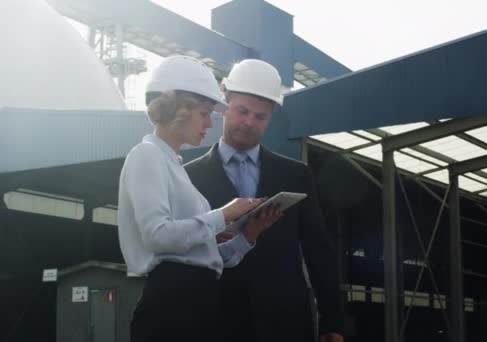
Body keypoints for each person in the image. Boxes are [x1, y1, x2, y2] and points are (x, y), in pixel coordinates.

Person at [117, 55, 281, 342]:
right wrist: (224, 214)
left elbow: (203, 259)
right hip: (173, 306)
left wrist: (247, 237)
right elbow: (158, 237)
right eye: (205, 113)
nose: (210, 123)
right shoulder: (146, 156)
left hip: (193, 302)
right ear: (179, 109)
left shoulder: (172, 165)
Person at [185, 59, 345, 342]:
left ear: (271, 116)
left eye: (260, 116)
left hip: (284, 322)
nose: (249, 122)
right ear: (225, 104)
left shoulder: (296, 175)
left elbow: (318, 249)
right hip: (214, 322)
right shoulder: (189, 177)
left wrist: (333, 321)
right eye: (242, 111)